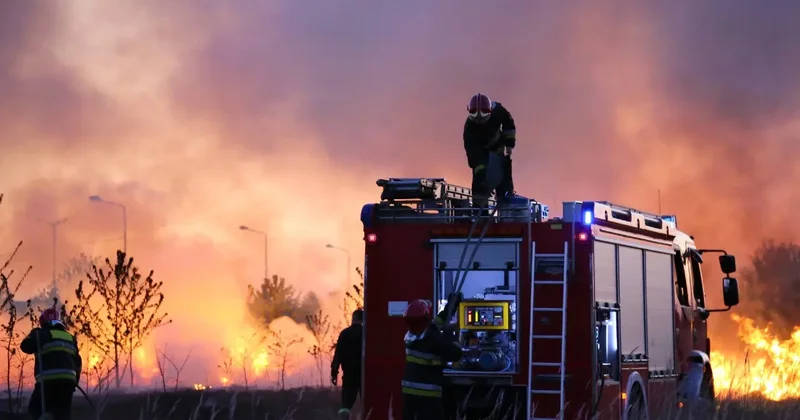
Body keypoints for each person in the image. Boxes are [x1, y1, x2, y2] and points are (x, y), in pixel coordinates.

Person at [401, 294, 464, 420]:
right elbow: (457, 354)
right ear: (425, 318)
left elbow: (435, 324)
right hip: (427, 395)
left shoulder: (410, 335)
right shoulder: (433, 339)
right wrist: (453, 339)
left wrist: (450, 307)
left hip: (408, 393)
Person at [20, 308, 82, 420]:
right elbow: (78, 364)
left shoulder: (41, 334)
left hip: (47, 382)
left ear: (43, 321)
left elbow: (25, 346)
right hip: (68, 383)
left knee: (34, 412)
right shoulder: (70, 338)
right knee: (63, 416)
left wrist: (33, 334)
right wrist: (74, 383)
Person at [463, 93, 517, 211]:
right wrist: (480, 170)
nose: (479, 121)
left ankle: (506, 207)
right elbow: (472, 152)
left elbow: (509, 124)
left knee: (503, 177)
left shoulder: (499, 112)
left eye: (483, 118)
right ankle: (480, 211)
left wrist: (509, 144)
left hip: (497, 147)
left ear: (490, 111)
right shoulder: (469, 129)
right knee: (479, 180)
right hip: (480, 150)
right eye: (476, 118)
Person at [331, 308, 363, 419]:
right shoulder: (366, 333)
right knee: (368, 403)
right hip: (364, 375)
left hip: (349, 375)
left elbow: (338, 355)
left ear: (352, 319)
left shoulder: (345, 333)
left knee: (346, 405)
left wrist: (334, 373)